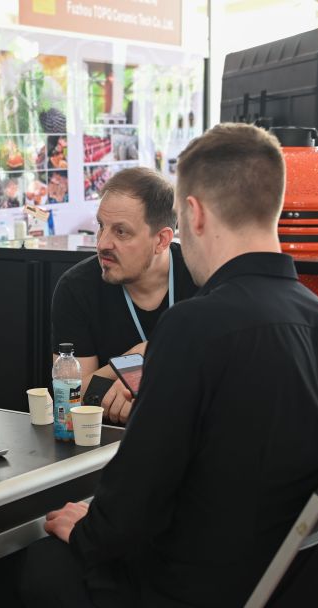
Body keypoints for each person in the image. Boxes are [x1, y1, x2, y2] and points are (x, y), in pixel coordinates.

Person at [0, 123, 318, 608]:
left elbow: (132, 505)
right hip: (312, 607)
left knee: (23, 562)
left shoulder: (195, 329)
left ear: (191, 215)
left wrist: (88, 530)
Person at [50, 166, 197, 423]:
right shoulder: (76, 287)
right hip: (107, 438)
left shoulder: (200, 277)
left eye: (121, 232)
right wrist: (134, 359)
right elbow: (70, 394)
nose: (102, 244)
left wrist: (152, 357)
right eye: (101, 226)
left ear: (162, 240)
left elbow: (222, 377)